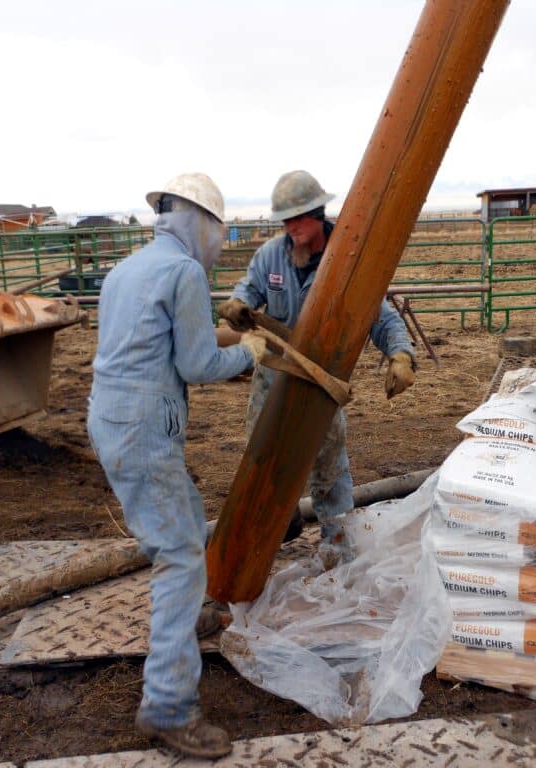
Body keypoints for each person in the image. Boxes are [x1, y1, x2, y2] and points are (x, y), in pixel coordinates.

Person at [87, 173, 264, 759]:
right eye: (220, 229)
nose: (220, 241)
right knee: (180, 558)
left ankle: (187, 623)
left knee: (182, 512)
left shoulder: (127, 269)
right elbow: (193, 364)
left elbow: (155, 343)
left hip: (109, 419)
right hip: (144, 429)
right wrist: (247, 354)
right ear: (201, 223)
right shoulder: (185, 272)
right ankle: (167, 705)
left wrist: (225, 341)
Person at [217, 170, 416, 564]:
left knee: (327, 466)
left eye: (297, 219)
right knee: (263, 458)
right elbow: (250, 288)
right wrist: (237, 303)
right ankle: (276, 526)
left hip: (319, 382)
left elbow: (382, 316)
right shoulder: (272, 255)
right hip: (273, 375)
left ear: (318, 213)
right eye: (285, 220)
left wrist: (401, 354)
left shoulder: (346, 263)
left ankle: (339, 546)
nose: (290, 228)